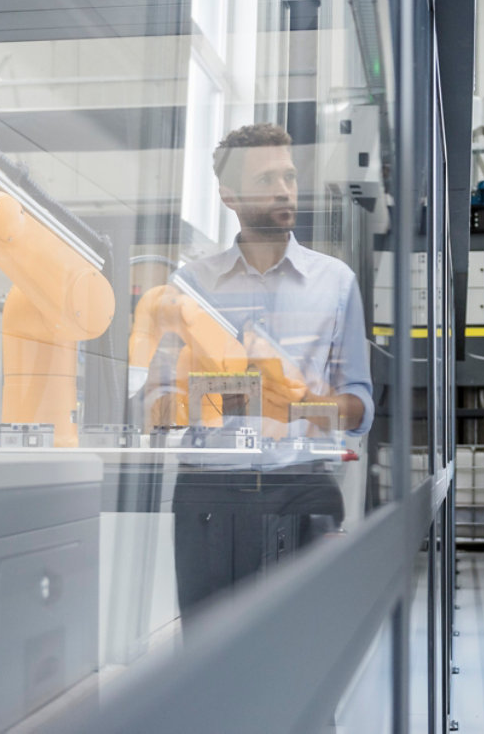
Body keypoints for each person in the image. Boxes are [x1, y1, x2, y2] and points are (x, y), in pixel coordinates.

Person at [153, 122, 374, 625]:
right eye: (266, 178)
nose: (283, 189)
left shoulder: (335, 283)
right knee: (209, 661)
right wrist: (221, 398)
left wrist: (295, 402)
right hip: (209, 495)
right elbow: (159, 400)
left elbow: (359, 406)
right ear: (229, 194)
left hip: (302, 487)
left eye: (289, 176)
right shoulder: (190, 287)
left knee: (307, 660)